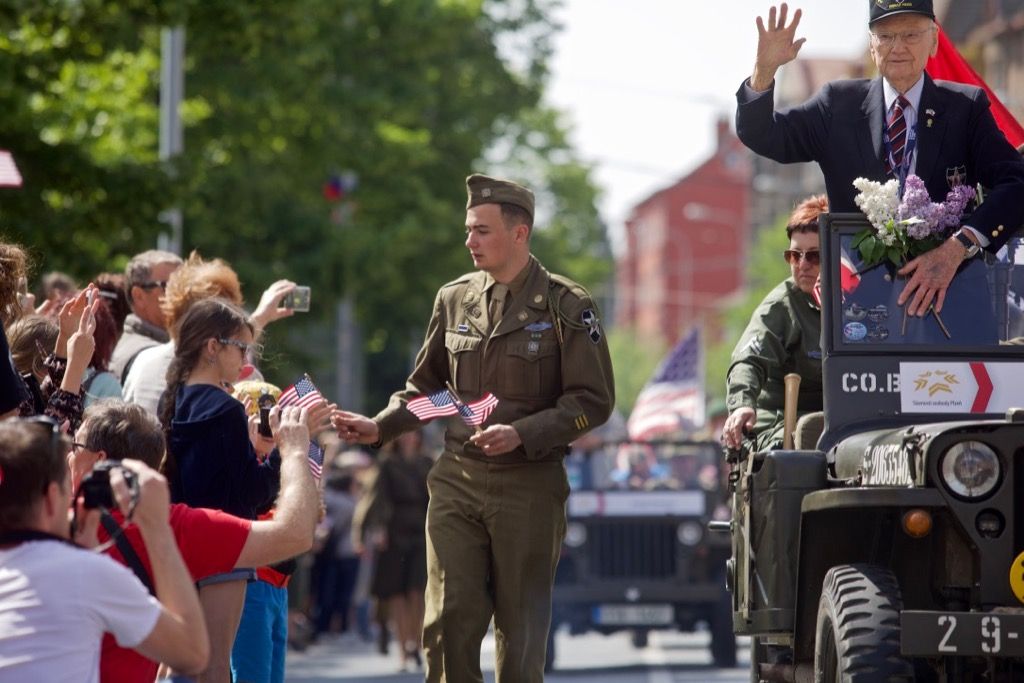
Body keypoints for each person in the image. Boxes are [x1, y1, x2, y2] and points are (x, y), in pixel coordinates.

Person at [332, 173, 615, 682]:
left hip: (529, 483)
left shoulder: (566, 306)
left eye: (482, 230)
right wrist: (379, 428)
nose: (469, 241)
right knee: (447, 621)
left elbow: (592, 402)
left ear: (519, 233)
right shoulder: (454, 299)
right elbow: (430, 391)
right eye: (469, 229)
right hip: (457, 477)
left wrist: (525, 433)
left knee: (519, 631)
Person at [736, 1, 1024, 323]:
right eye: (885, 37)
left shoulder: (965, 108)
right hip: (860, 320)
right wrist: (764, 72)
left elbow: (1016, 183)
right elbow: (764, 135)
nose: (898, 47)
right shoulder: (838, 104)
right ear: (872, 47)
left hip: (953, 306)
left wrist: (957, 248)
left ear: (934, 41)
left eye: (911, 35)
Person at [66, 399, 318, 683]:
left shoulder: (43, 520)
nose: (67, 456)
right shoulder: (175, 525)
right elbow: (295, 535)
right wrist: (295, 453)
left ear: (99, 461)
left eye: (74, 447)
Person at [0, 418, 209, 682]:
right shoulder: (83, 573)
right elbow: (192, 653)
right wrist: (156, 527)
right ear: (53, 499)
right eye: (68, 491)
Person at [722, 195, 828, 451]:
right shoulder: (781, 306)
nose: (802, 265)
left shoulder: (862, 302)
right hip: (784, 424)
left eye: (813, 256)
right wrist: (742, 404)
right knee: (802, 442)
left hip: (850, 424)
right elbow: (748, 359)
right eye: (794, 255)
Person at [355, 430, 432, 671]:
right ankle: (402, 649)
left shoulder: (427, 462)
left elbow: (440, 498)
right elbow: (374, 498)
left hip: (422, 531)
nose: (409, 436)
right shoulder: (387, 464)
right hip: (395, 532)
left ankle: (416, 643)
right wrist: (364, 532)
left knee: (417, 591)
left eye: (413, 432)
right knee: (397, 593)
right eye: (405, 432)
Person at [110, 250, 182, 382]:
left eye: (184, 286)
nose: (183, 295)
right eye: (169, 286)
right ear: (139, 296)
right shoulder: (149, 356)